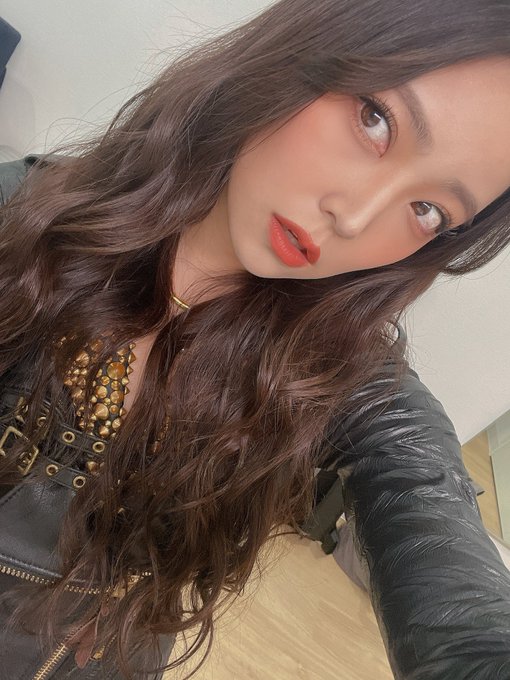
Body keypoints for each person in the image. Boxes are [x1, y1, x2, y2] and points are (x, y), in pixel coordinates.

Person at [1, 0, 510, 677]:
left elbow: (426, 503)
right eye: (376, 118)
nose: (354, 217)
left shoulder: (334, 368)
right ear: (304, 52)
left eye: (427, 209)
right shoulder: (22, 229)